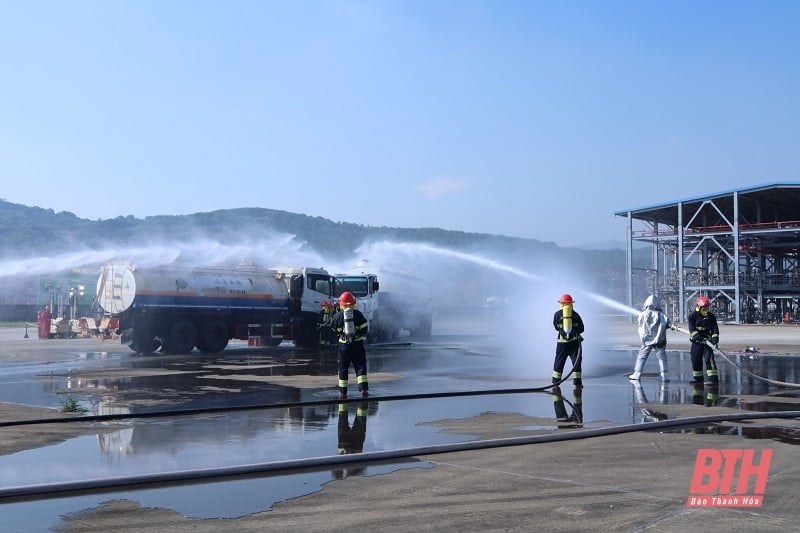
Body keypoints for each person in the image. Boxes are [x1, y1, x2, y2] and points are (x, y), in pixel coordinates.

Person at [329, 291, 369, 399]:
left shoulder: (338, 315)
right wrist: (358, 332)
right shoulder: (358, 314)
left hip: (344, 346)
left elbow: (332, 328)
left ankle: (343, 392)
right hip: (357, 344)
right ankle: (363, 389)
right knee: (360, 366)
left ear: (341, 304)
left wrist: (339, 332)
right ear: (353, 303)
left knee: (343, 368)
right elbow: (365, 328)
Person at [629, 294, 676, 381]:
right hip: (659, 341)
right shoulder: (662, 315)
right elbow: (668, 324)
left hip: (647, 340)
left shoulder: (642, 315)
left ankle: (637, 374)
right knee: (662, 358)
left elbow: (640, 326)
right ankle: (665, 375)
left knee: (641, 357)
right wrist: (673, 326)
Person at [552, 293, 585, 388]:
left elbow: (555, 326)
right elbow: (582, 328)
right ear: (571, 303)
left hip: (561, 343)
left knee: (559, 362)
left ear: (561, 303)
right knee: (576, 362)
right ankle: (577, 384)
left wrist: (562, 331)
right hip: (574, 344)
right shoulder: (576, 315)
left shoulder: (557, 315)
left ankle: (555, 383)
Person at [687, 296, 720, 384]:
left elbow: (715, 330)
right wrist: (699, 338)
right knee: (695, 360)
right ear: (698, 308)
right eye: (704, 308)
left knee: (709, 359)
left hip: (707, 343)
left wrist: (715, 341)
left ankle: (713, 379)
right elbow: (692, 330)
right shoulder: (692, 316)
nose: (706, 310)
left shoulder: (711, 317)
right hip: (696, 342)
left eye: (707, 308)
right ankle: (698, 379)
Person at [333, 401, 368, 479]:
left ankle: (364, 394)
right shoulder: (339, 475)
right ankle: (343, 393)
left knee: (362, 414)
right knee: (342, 412)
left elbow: (363, 466)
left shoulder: (357, 473)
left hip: (357, 445)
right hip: (343, 442)